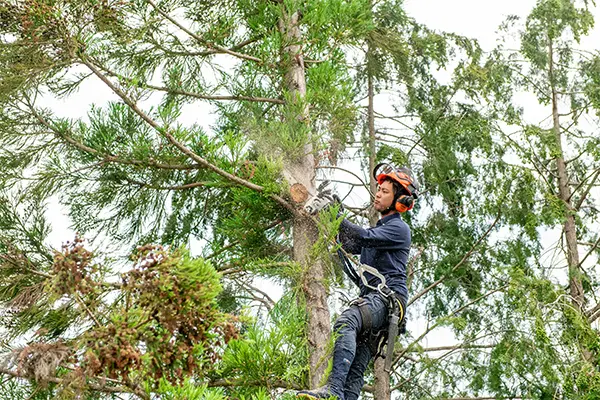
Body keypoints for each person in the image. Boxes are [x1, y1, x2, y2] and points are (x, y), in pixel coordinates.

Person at [298, 164, 418, 400]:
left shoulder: (399, 229)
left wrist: (336, 211)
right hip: (378, 304)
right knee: (355, 370)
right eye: (378, 189)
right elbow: (352, 244)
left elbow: (363, 236)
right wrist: (332, 211)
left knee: (346, 322)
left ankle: (332, 389)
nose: (378, 193)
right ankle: (342, 396)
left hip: (386, 300)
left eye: (384, 191)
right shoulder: (381, 230)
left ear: (400, 200)